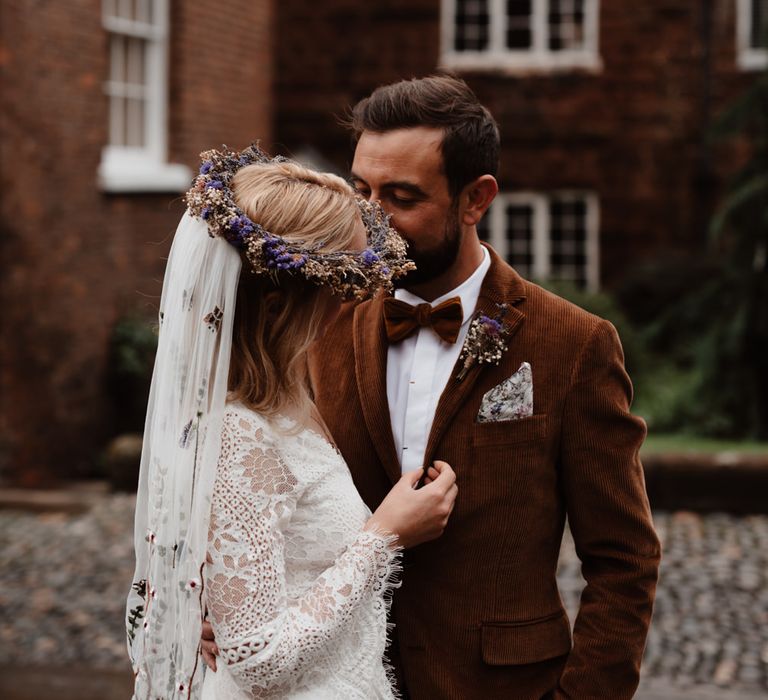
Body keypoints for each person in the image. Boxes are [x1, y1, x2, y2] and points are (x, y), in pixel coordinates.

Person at [203, 75, 662, 698]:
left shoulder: (575, 344)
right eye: (361, 188)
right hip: (337, 679)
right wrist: (225, 612)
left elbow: (624, 559)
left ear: (476, 199)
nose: (371, 216)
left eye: (401, 196)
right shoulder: (318, 325)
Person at [127, 145, 458, 700]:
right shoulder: (240, 434)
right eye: (339, 291)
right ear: (283, 309)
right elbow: (257, 659)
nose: (350, 307)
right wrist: (385, 535)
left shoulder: (275, 408)